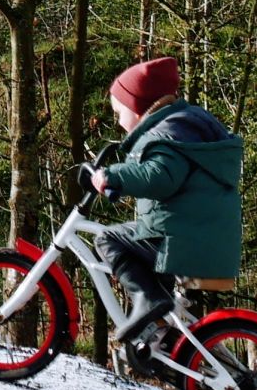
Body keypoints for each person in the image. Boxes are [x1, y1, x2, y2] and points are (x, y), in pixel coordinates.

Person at [89, 56, 243, 343]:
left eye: (117, 111)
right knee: (140, 250)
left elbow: (159, 177)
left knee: (108, 239)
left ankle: (147, 299)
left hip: (184, 241)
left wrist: (114, 176)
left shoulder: (165, 133)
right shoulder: (185, 127)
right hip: (203, 238)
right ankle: (163, 336)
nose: (117, 121)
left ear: (136, 107)